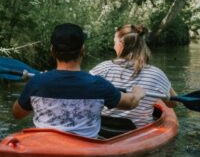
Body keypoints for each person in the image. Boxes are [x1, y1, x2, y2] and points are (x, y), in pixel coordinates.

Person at [12, 23, 145, 138]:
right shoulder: (98, 84)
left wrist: (42, 82)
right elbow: (130, 103)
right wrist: (137, 93)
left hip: (45, 145)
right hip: (84, 146)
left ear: (52, 50)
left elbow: (17, 113)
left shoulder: (37, 82)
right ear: (83, 50)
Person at [90, 24, 177, 128]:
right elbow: (173, 104)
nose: (114, 47)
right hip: (138, 132)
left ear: (121, 44)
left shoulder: (102, 68)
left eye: (115, 42)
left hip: (103, 130)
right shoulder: (156, 74)